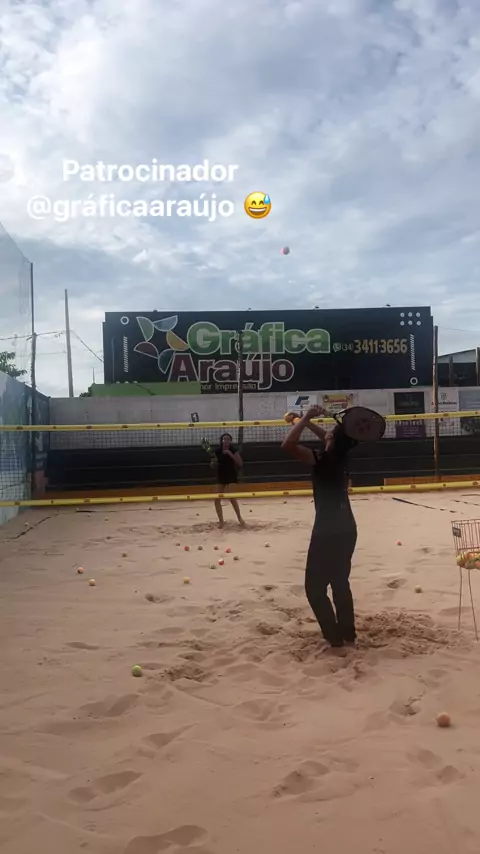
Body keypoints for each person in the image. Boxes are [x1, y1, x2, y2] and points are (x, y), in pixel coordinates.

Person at [282, 406, 358, 649]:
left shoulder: (323, 460)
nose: (326, 433)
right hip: (348, 528)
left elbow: (288, 445)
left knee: (314, 589)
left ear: (332, 441)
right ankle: (348, 635)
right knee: (340, 582)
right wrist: (302, 421)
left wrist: (305, 418)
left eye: (330, 433)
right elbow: (327, 436)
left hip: (327, 531)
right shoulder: (341, 456)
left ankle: (334, 638)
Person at [211, 433, 245, 528]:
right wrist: (214, 463)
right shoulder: (217, 451)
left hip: (231, 475)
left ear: (230, 441)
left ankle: (240, 518)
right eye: (224, 439)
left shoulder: (233, 450)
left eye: (228, 439)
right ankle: (221, 521)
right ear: (221, 441)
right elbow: (212, 465)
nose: (226, 441)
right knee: (216, 499)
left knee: (231, 497)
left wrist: (230, 454)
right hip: (221, 476)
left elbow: (240, 464)